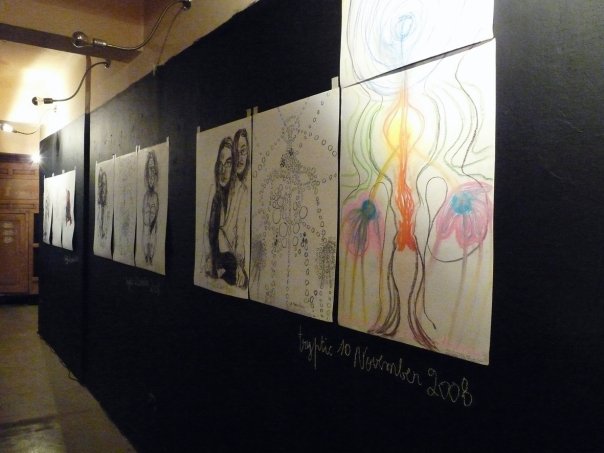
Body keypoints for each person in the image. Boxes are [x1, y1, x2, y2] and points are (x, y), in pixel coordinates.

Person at [205, 135, 247, 288]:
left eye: (228, 163)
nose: (223, 170)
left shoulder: (241, 192)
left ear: (234, 165)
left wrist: (240, 266)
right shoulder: (215, 193)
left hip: (232, 262)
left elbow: (241, 235)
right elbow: (208, 231)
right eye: (220, 164)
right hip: (216, 262)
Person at [142, 151, 159, 264]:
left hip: (152, 226)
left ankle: (150, 257)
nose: (151, 174)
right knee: (146, 233)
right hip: (146, 225)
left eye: (153, 170)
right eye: (149, 170)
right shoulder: (145, 197)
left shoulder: (156, 197)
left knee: (151, 235)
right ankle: (147, 256)